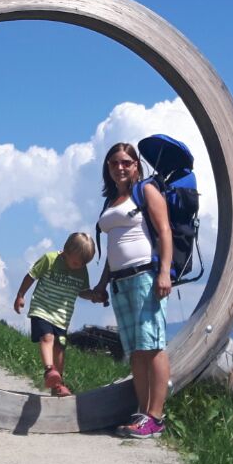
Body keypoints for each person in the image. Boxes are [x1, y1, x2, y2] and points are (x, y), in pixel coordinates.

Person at [89, 142, 172, 439]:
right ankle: (142, 412)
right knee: (136, 350)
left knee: (153, 346)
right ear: (107, 168)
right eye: (114, 163)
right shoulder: (111, 201)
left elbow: (164, 231)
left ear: (136, 165)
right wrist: (101, 284)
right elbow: (113, 249)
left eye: (126, 162)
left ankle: (156, 417)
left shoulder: (147, 190)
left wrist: (164, 272)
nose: (120, 167)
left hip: (145, 277)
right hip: (120, 282)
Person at [12, 232, 97, 397]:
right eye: (76, 262)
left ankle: (57, 385)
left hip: (62, 317)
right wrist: (21, 295)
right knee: (48, 338)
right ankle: (49, 371)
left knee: (59, 349)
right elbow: (31, 276)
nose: (79, 266)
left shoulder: (81, 270)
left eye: (83, 264)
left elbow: (82, 291)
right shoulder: (50, 259)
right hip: (42, 309)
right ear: (65, 251)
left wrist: (93, 296)